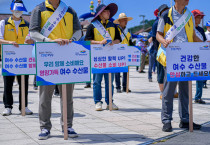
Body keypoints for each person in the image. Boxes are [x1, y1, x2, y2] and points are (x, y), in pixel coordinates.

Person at [29, 0, 82, 140]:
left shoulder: (69, 10)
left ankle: (68, 126)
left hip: (67, 56)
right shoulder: (38, 9)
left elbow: (79, 31)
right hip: (47, 56)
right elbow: (33, 32)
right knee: (45, 96)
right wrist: (48, 41)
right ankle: (45, 127)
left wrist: (71, 39)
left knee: (68, 96)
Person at [156, 0, 202, 132]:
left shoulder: (189, 15)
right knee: (169, 90)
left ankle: (185, 119)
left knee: (185, 90)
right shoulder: (166, 15)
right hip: (172, 55)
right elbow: (158, 34)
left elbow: (193, 35)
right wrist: (163, 41)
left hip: (186, 56)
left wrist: (205, 44)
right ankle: (166, 120)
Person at [85, 3, 121, 111]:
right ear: (100, 14)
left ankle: (110, 102)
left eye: (109, 11)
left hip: (110, 57)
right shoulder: (92, 25)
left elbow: (119, 39)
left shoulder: (113, 25)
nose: (108, 13)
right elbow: (87, 40)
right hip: (97, 58)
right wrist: (99, 42)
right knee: (97, 81)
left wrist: (113, 42)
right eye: (106, 11)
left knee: (110, 81)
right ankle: (98, 102)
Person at [1, 0, 33, 116]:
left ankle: (24, 106)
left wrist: (31, 41)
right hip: (9, 58)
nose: (18, 12)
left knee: (23, 83)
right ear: (11, 10)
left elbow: (32, 39)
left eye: (20, 11)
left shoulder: (27, 25)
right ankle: (8, 106)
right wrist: (9, 42)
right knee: (8, 83)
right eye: (16, 10)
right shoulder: (3, 23)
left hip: (24, 58)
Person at [113, 13, 133, 93]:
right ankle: (118, 87)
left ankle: (125, 87)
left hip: (126, 51)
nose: (126, 21)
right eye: (124, 20)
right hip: (117, 51)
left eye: (126, 20)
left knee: (126, 70)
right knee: (117, 70)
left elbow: (130, 40)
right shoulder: (115, 29)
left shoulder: (128, 30)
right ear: (120, 21)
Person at [191, 9, 206, 104]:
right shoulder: (189, 28)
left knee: (200, 76)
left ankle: (198, 97)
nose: (200, 19)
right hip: (190, 55)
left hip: (200, 55)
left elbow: (203, 42)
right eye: (198, 17)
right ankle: (185, 96)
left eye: (201, 17)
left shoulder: (201, 30)